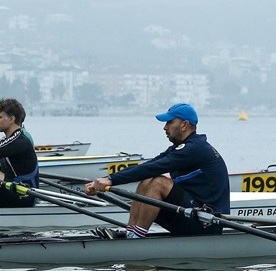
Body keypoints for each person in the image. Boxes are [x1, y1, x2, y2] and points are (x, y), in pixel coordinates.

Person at [84, 102, 229, 239]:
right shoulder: (182, 147)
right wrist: (103, 180)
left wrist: (111, 180)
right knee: (147, 179)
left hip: (208, 223)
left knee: (159, 182)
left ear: (184, 125)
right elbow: (149, 166)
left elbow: (153, 168)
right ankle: (132, 232)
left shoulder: (194, 149)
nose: (165, 127)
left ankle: (136, 236)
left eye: (169, 122)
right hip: (191, 214)